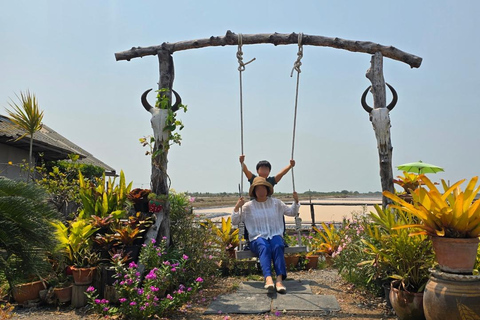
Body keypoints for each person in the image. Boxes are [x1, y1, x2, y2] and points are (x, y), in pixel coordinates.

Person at [232, 177, 300, 294]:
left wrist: (296, 201)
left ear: (268, 190)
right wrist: (237, 207)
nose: (261, 191)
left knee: (278, 246)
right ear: (254, 191)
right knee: (264, 247)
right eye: (258, 189)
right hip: (256, 238)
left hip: (274, 235)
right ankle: (268, 278)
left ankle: (279, 280)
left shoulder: (276, 203)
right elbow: (235, 221)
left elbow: (292, 212)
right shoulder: (248, 207)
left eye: (263, 188)